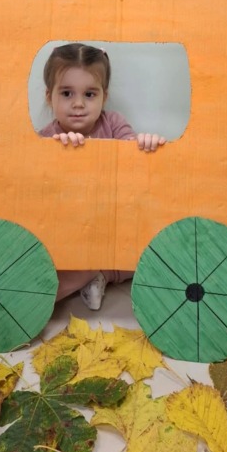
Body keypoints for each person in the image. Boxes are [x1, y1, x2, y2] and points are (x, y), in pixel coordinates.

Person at [40, 42, 166, 310]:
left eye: (89, 94)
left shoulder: (113, 123)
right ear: (49, 96)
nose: (78, 104)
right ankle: (55, 290)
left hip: (108, 222)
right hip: (68, 229)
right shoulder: (45, 138)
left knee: (147, 253)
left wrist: (145, 144)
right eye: (66, 93)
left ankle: (102, 275)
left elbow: (133, 157)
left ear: (104, 97)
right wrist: (59, 151)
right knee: (59, 263)